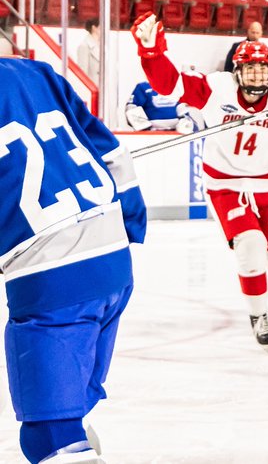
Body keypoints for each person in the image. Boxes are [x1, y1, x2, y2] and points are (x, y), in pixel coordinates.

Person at [131, 10, 268, 352]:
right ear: (237, 72)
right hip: (227, 187)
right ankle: (258, 315)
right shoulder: (215, 89)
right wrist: (152, 54)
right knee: (251, 247)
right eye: (248, 68)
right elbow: (170, 85)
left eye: (261, 69)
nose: (255, 75)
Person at [0, 55, 147, 464]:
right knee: (70, 413)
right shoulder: (33, 71)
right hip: (114, 262)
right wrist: (130, 220)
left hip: (52, 280)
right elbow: (111, 150)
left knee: (50, 436)